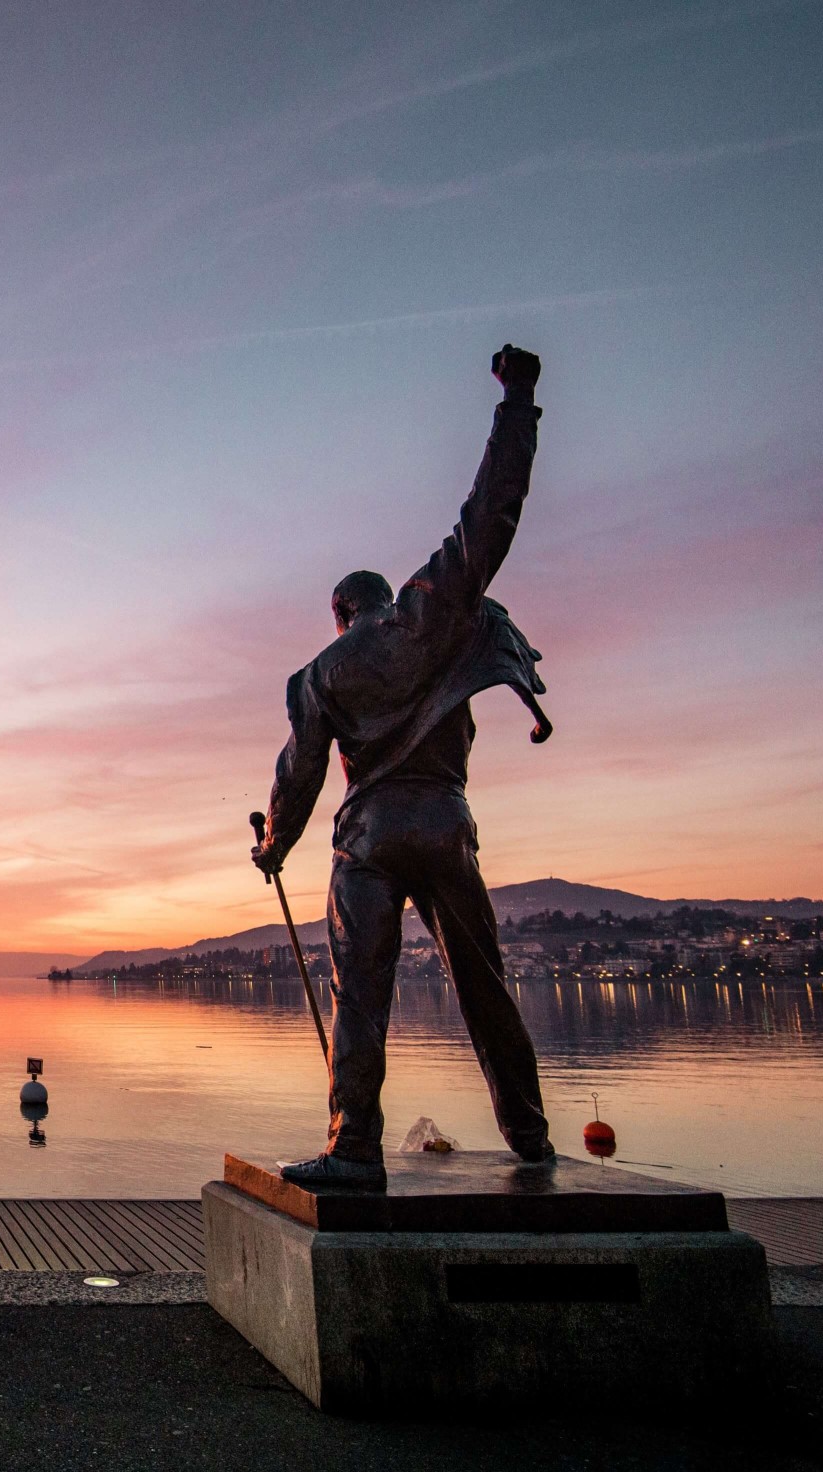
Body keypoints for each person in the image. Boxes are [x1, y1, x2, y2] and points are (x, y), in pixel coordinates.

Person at [252, 344, 556, 1191]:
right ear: (385, 598)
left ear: (340, 611)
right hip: (447, 824)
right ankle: (531, 1138)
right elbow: (490, 514)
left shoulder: (321, 673)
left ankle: (354, 1146)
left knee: (360, 992)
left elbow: (299, 775)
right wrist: (517, 401)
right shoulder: (437, 615)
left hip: (371, 837)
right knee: (485, 986)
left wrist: (274, 847)